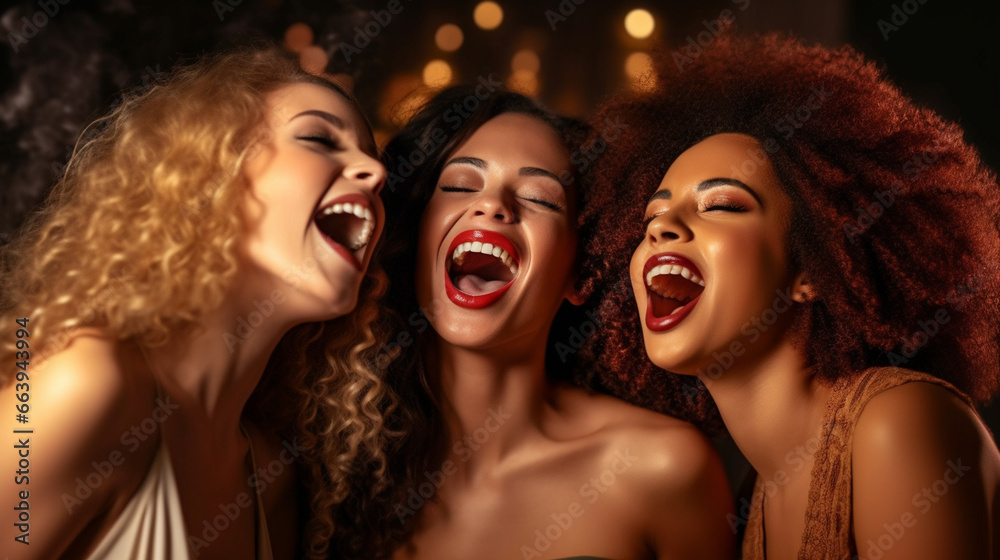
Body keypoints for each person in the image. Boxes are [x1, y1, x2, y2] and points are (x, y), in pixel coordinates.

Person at [579, 31, 1000, 559]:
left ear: (814, 268)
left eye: (723, 206)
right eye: (652, 218)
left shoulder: (895, 423)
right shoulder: (756, 496)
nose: (663, 229)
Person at [0, 45, 396, 560]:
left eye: (372, 156)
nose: (374, 171)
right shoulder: (90, 385)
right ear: (211, 174)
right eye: (320, 139)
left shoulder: (269, 476)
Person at [373, 85, 735, 560]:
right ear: (417, 237)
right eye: (460, 186)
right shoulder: (342, 470)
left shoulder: (663, 468)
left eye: (541, 199)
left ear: (580, 273)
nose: (493, 206)